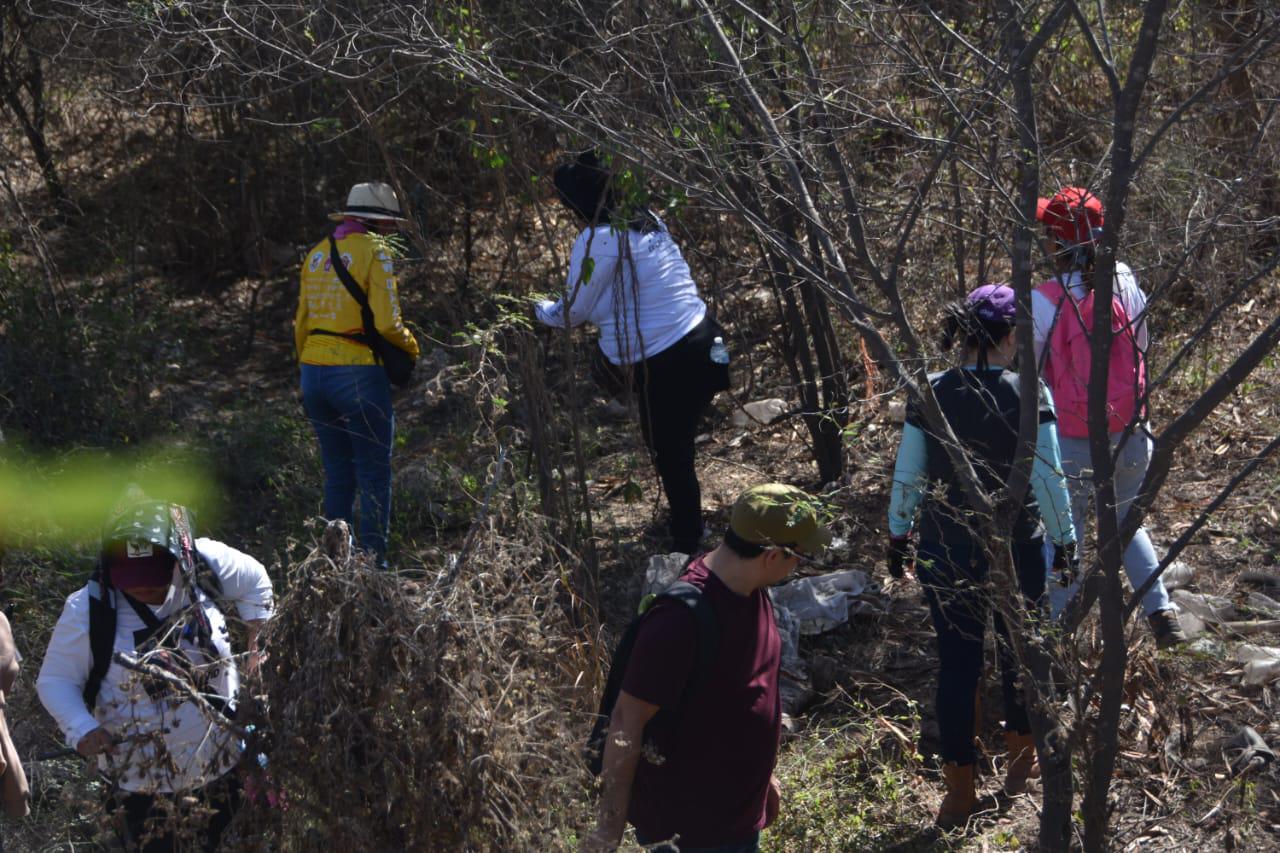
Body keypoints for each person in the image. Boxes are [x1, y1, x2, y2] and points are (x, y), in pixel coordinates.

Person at [887, 284, 1077, 828]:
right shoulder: (1028, 393)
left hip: (946, 548)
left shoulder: (932, 391)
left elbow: (909, 473)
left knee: (957, 665)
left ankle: (959, 792)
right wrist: (1064, 544)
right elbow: (1049, 479)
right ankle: (1021, 767)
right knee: (1021, 657)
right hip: (1017, 546)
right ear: (1009, 336)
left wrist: (898, 535)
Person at [585, 484, 831, 852]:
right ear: (772, 555)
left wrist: (764, 779)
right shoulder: (679, 622)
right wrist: (607, 829)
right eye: (799, 557)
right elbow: (626, 720)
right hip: (690, 834)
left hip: (737, 817)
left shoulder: (753, 591)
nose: (798, 566)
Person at [37, 499, 273, 851]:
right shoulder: (89, 609)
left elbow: (256, 582)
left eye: (155, 575)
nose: (143, 587)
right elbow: (55, 680)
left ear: (183, 557)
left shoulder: (208, 565)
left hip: (224, 768)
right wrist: (82, 729)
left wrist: (259, 650)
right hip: (142, 786)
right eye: (132, 576)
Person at [535, 152, 731, 555]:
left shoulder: (600, 239)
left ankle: (687, 544)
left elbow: (572, 312)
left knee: (671, 452)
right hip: (706, 342)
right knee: (676, 448)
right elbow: (617, 298)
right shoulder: (648, 220)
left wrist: (538, 310)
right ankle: (686, 521)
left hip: (670, 359)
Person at [1031, 186, 1186, 647]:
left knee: (1066, 537)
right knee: (1127, 522)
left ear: (1059, 242)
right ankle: (1162, 615)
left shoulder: (1044, 300)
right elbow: (1142, 346)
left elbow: (1035, 373)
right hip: (1131, 430)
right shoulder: (1124, 279)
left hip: (1073, 439)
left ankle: (1054, 637)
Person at [295, 181, 420, 566]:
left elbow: (300, 322)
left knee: (337, 474)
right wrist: (411, 347)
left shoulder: (316, 255)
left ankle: (334, 566)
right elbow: (387, 323)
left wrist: (309, 365)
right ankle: (372, 568)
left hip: (313, 373)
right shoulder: (376, 253)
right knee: (373, 473)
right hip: (358, 372)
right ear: (378, 223)